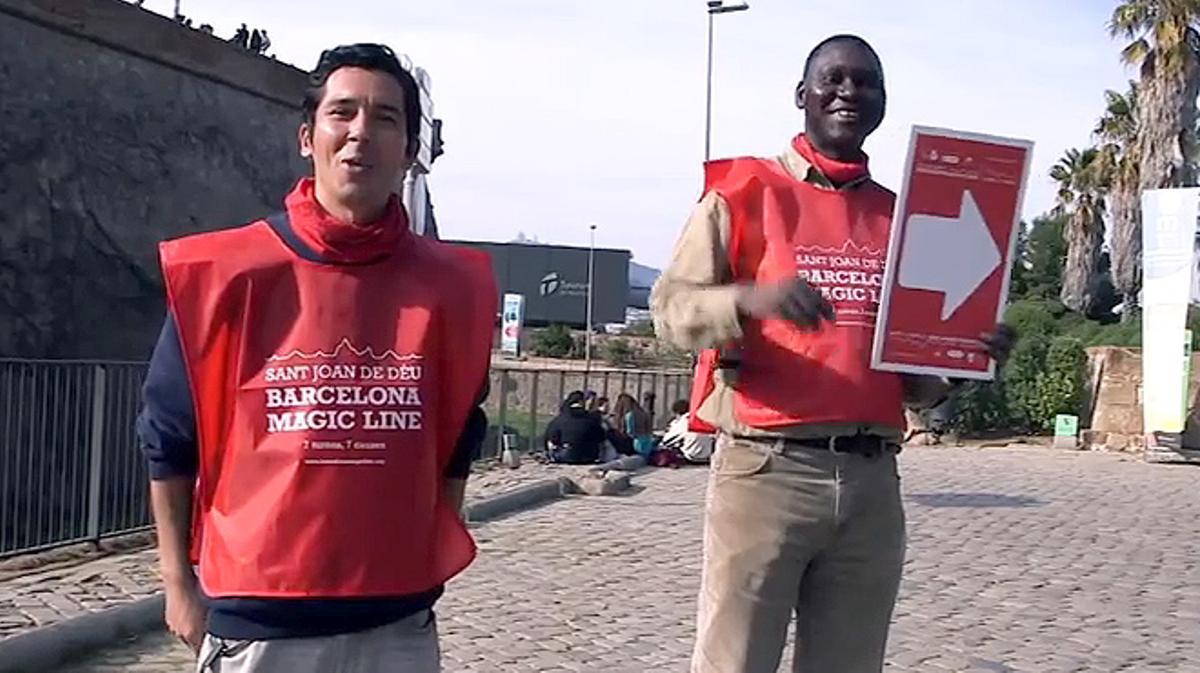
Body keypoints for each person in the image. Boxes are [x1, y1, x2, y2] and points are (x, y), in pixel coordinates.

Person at [651, 34, 1016, 673]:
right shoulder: (742, 193)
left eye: (865, 82)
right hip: (766, 472)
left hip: (873, 479)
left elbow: (913, 382)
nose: (849, 92)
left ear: (882, 102)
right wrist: (751, 300)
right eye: (834, 79)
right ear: (803, 96)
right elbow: (670, 310)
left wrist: (966, 359)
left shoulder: (907, 220)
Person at [136, 43, 496, 673]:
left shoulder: (453, 288)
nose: (361, 132)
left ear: (410, 150)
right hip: (260, 619)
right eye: (343, 113)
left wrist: (420, 551)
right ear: (309, 136)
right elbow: (168, 438)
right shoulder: (226, 272)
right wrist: (177, 588)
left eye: (386, 118)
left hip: (398, 620)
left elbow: (461, 433)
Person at [544, 391, 607, 464]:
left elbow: (552, 438)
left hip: (566, 455)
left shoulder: (560, 419)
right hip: (589, 456)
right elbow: (601, 437)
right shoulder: (591, 419)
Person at [661, 399, 714, 464]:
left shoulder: (684, 421)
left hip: (691, 457)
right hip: (706, 457)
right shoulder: (702, 419)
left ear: (677, 413)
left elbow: (666, 441)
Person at [611, 393, 655, 458]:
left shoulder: (628, 415)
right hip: (644, 445)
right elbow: (649, 431)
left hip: (632, 446)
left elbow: (630, 433)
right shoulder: (642, 413)